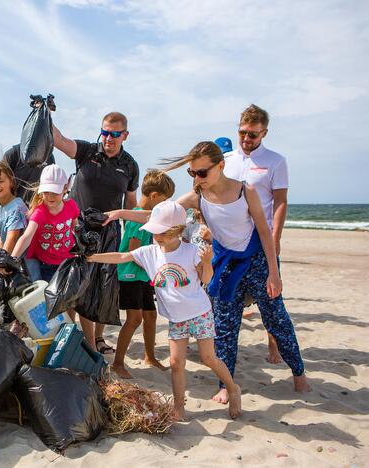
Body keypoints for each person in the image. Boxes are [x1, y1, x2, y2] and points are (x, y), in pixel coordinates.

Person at [106, 141, 310, 404]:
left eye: (202, 172)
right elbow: (158, 216)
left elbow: (264, 232)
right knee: (224, 326)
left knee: (276, 319)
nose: (197, 178)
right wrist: (118, 213)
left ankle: (299, 374)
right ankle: (226, 386)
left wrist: (274, 272)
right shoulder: (196, 198)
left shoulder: (245, 191)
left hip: (257, 259)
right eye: (192, 173)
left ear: (221, 166)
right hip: (225, 263)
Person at [88, 201, 242, 421]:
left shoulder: (191, 251)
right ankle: (179, 407)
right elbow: (122, 257)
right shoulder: (149, 252)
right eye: (154, 231)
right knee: (175, 363)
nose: (156, 236)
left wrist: (208, 263)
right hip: (176, 319)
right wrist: (92, 258)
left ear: (177, 231)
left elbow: (207, 280)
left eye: (161, 232)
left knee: (208, 358)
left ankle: (232, 388)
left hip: (199, 312)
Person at [52, 111, 139, 355]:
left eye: (114, 134)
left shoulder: (130, 165)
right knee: (73, 284)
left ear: (125, 135)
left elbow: (131, 202)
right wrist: (43, 114)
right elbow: (58, 140)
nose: (108, 138)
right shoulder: (87, 151)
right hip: (77, 227)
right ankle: (73, 335)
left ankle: (98, 339)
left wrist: (133, 232)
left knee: (103, 287)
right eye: (105, 132)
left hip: (109, 230)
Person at [224, 105, 288, 364]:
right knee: (229, 302)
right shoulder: (227, 161)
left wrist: (276, 239)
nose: (246, 139)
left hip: (262, 241)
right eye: (243, 133)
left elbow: (280, 202)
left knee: (270, 300)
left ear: (264, 133)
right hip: (230, 244)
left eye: (253, 134)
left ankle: (273, 345)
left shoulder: (275, 161)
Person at [113, 169, 174, 378]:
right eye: (164, 201)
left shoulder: (148, 218)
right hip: (130, 274)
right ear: (154, 196)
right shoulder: (138, 219)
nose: (165, 205)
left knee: (151, 315)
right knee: (134, 318)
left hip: (144, 275)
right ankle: (118, 363)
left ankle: (150, 356)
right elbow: (133, 251)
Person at [11, 164, 79, 322]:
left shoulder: (71, 206)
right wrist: (12, 259)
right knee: (48, 303)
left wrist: (83, 240)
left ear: (65, 188)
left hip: (66, 264)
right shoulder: (40, 211)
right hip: (46, 264)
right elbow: (26, 236)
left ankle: (68, 330)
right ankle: (51, 334)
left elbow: (76, 227)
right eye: (46, 191)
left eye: (55, 191)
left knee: (69, 302)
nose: (50, 196)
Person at [0, 161, 28, 253]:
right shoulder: (0, 209)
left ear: (11, 181)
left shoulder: (16, 207)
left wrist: (1, 266)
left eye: (0, 181)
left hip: (22, 264)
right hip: (8, 259)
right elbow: (2, 241)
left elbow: (12, 239)